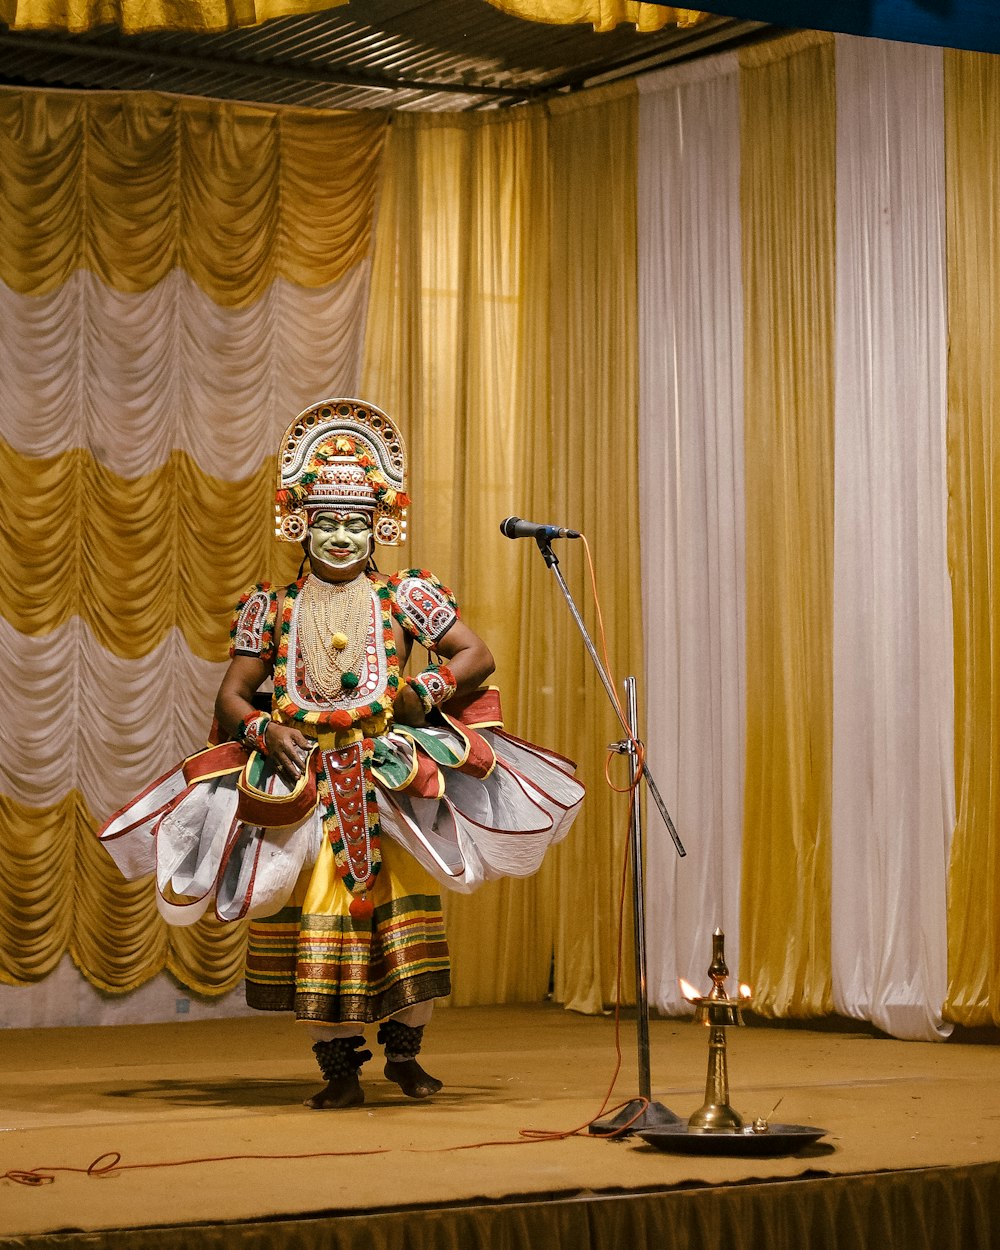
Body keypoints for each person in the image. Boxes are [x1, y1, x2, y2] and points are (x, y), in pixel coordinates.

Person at [99, 398, 584, 1109]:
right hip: (308, 785)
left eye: (355, 523)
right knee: (321, 918)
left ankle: (407, 1057)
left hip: (391, 781)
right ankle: (339, 1070)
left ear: (378, 525)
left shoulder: (405, 595)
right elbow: (230, 699)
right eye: (326, 521)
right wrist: (265, 730)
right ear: (300, 524)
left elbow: (475, 654)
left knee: (406, 913)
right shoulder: (271, 606)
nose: (340, 536)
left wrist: (427, 686)